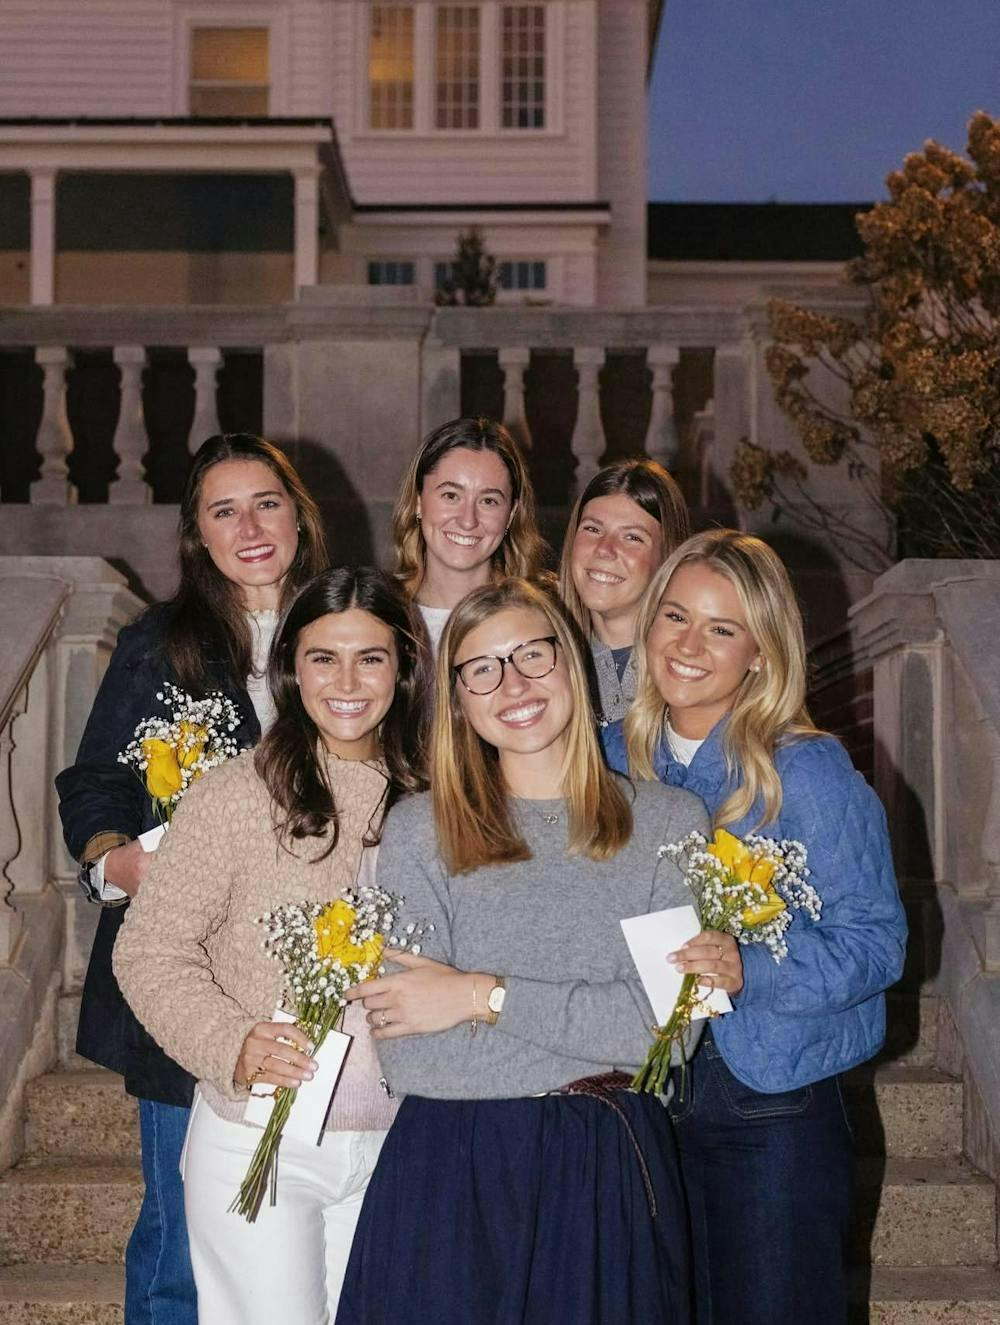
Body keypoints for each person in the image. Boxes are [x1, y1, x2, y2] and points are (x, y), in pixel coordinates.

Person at [336, 577, 710, 1325]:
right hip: (453, 1171)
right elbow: (411, 1055)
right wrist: (598, 1037)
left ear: (571, 662)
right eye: (483, 667)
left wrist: (480, 994)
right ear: (461, 700)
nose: (514, 683)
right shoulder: (418, 829)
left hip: (606, 1175)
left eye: (532, 654)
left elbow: (667, 1037)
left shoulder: (670, 819)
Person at [602, 529, 907, 1325]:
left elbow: (878, 941)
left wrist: (751, 967)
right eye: (674, 615)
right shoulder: (605, 759)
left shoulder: (805, 771)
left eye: (721, 628)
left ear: (762, 653)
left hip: (766, 1109)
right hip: (635, 1104)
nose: (688, 644)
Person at [55, 432, 327, 1325]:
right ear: (197, 535)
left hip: (319, 975)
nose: (250, 526)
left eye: (267, 503)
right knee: (180, 1241)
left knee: (307, 1231)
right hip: (186, 985)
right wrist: (118, 860)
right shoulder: (156, 644)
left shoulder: (347, 632)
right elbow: (95, 781)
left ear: (298, 514)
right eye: (224, 509)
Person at [113, 567, 431, 1325]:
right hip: (261, 1137)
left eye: (372, 657)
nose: (347, 680)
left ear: (405, 667)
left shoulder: (439, 799)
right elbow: (149, 949)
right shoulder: (236, 792)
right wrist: (232, 1039)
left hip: (403, 1145)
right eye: (324, 657)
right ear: (291, 666)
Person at [391, 416, 547, 652]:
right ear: (418, 501)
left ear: (512, 513)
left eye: (488, 501)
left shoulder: (540, 618)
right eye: (451, 496)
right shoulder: (381, 615)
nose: (467, 520)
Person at [559, 457, 689, 726]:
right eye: (593, 529)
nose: (604, 549)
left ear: (667, 556)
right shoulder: (545, 661)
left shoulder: (689, 668)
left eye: (632, 537)